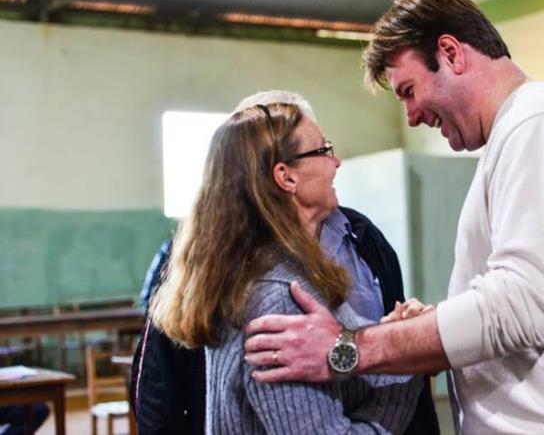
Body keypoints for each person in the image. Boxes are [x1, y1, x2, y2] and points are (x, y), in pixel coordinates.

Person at [244, 0, 544, 433]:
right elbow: (526, 297)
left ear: (450, 53)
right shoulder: (520, 134)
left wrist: (349, 347)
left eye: (408, 90)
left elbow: (524, 306)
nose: (410, 117)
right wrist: (431, 326)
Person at [131, 91, 438, 434]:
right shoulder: (277, 296)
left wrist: (393, 337)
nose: (336, 162)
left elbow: (339, 361)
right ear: (286, 177)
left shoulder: (297, 267)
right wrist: (410, 371)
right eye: (323, 151)